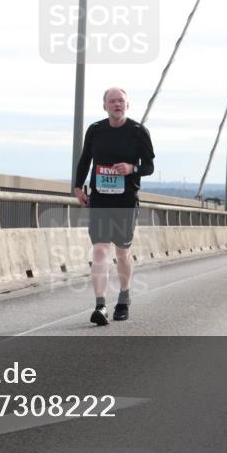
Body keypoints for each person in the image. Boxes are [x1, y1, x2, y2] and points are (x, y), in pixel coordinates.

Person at [74, 87, 155, 325]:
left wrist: (132, 168)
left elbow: (148, 166)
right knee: (99, 250)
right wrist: (78, 187)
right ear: (105, 106)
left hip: (126, 200)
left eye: (121, 101)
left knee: (121, 252)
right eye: (112, 101)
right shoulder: (95, 130)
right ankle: (100, 306)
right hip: (99, 198)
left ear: (127, 105)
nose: (117, 104)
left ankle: (124, 297)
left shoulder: (138, 131)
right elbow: (85, 160)